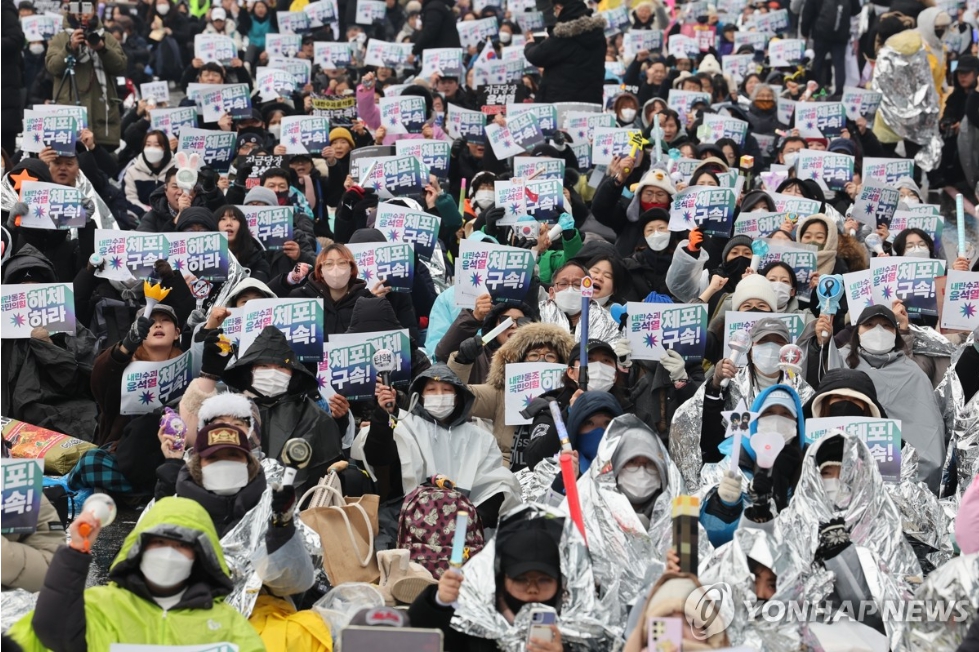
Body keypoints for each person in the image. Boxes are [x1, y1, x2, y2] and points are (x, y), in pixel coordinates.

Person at [8, 497, 266, 651]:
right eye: (159, 543)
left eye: (181, 546)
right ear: (139, 548)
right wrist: (76, 551)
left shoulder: (227, 624)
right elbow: (52, 632)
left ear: (200, 557)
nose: (168, 553)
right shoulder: (101, 605)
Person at [180, 326, 343, 495]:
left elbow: (326, 472)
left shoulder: (313, 416)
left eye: (280, 367)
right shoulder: (227, 406)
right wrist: (209, 374)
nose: (272, 373)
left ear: (293, 373)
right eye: (263, 365)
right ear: (248, 370)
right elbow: (189, 432)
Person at [364, 364, 522, 527]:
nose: (439, 395)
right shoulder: (405, 427)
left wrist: (470, 521)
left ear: (458, 396)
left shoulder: (480, 438)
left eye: (447, 390)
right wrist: (382, 415)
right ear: (420, 396)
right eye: (431, 390)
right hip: (411, 517)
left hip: (464, 522)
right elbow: (378, 456)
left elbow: (494, 484)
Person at [408, 511, 571, 652]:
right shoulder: (476, 616)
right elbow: (416, 640)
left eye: (544, 580)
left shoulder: (575, 625)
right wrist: (440, 602)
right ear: (503, 581)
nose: (533, 589)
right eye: (521, 580)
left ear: (559, 584)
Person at [832, 305, 946, 492]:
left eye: (886, 325)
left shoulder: (913, 373)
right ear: (857, 331)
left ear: (895, 333)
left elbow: (928, 436)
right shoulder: (839, 363)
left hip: (900, 483)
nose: (878, 331)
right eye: (869, 324)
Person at [448, 322, 574, 465]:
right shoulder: (501, 393)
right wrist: (462, 361)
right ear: (520, 360)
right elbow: (455, 397)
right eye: (533, 355)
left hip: (557, 465)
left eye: (550, 356)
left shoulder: (571, 396)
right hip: (506, 470)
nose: (541, 359)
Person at [45, 2, 127, 149]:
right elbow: (53, 67)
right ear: (71, 11)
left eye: (88, 8)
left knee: (102, 167)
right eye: (78, 8)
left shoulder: (106, 38)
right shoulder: (60, 39)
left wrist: (102, 49)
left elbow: (120, 66)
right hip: (69, 116)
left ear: (95, 10)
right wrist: (70, 48)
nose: (83, 13)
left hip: (102, 117)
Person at [523, 0, 606, 105]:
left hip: (562, 104)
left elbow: (536, 56)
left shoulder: (564, 35)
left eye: (555, 11)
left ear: (559, 8)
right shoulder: (597, 33)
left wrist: (530, 45)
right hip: (591, 102)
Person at [435, 293, 528, 384]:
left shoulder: (538, 353)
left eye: (522, 321)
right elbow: (444, 353)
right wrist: (474, 318)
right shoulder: (477, 355)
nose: (514, 326)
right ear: (493, 326)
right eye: (505, 320)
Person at [123, 130, 175, 218]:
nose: (152, 149)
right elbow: (130, 199)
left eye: (157, 145)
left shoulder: (175, 170)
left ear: (165, 148)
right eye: (148, 145)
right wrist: (145, 212)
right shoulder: (132, 171)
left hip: (170, 217)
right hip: (141, 218)